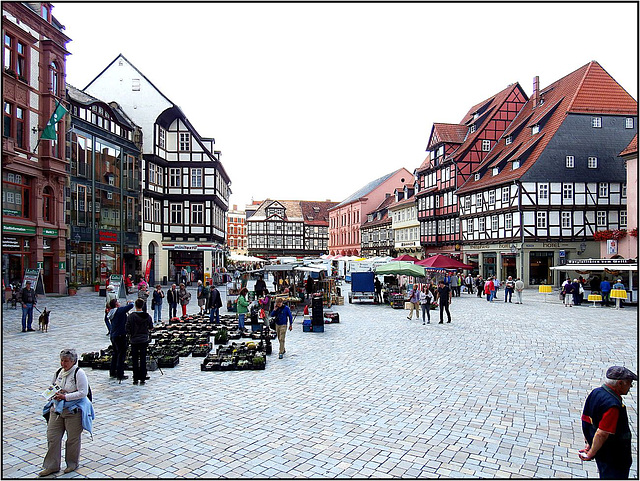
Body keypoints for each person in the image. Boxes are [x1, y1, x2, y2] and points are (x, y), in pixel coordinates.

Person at [39, 349, 94, 477]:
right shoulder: (59, 372)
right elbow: (53, 385)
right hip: (57, 410)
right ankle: (51, 466)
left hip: (73, 411)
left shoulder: (79, 373)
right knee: (52, 437)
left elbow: (83, 392)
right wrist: (52, 392)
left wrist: (66, 397)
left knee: (72, 439)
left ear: (73, 361)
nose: (63, 363)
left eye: (66, 361)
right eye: (62, 360)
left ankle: (72, 464)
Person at [579, 366, 637, 479]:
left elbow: (588, 421)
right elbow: (602, 433)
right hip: (614, 456)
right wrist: (591, 453)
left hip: (602, 453)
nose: (630, 387)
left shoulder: (595, 393)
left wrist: (590, 444)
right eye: (629, 383)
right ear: (620, 383)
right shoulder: (612, 405)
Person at [126, 299, 154, 385]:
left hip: (134, 340)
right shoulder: (147, 316)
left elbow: (127, 328)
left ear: (135, 306)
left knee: (134, 360)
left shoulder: (131, 316)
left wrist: (131, 334)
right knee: (142, 359)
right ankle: (142, 378)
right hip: (143, 340)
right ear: (142, 306)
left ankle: (135, 378)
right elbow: (151, 327)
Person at [108, 299, 135, 381]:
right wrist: (130, 302)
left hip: (113, 335)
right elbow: (131, 306)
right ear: (116, 304)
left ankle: (112, 372)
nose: (120, 303)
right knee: (121, 355)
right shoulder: (119, 311)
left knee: (115, 353)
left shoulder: (111, 312)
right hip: (120, 335)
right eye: (118, 302)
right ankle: (120, 374)